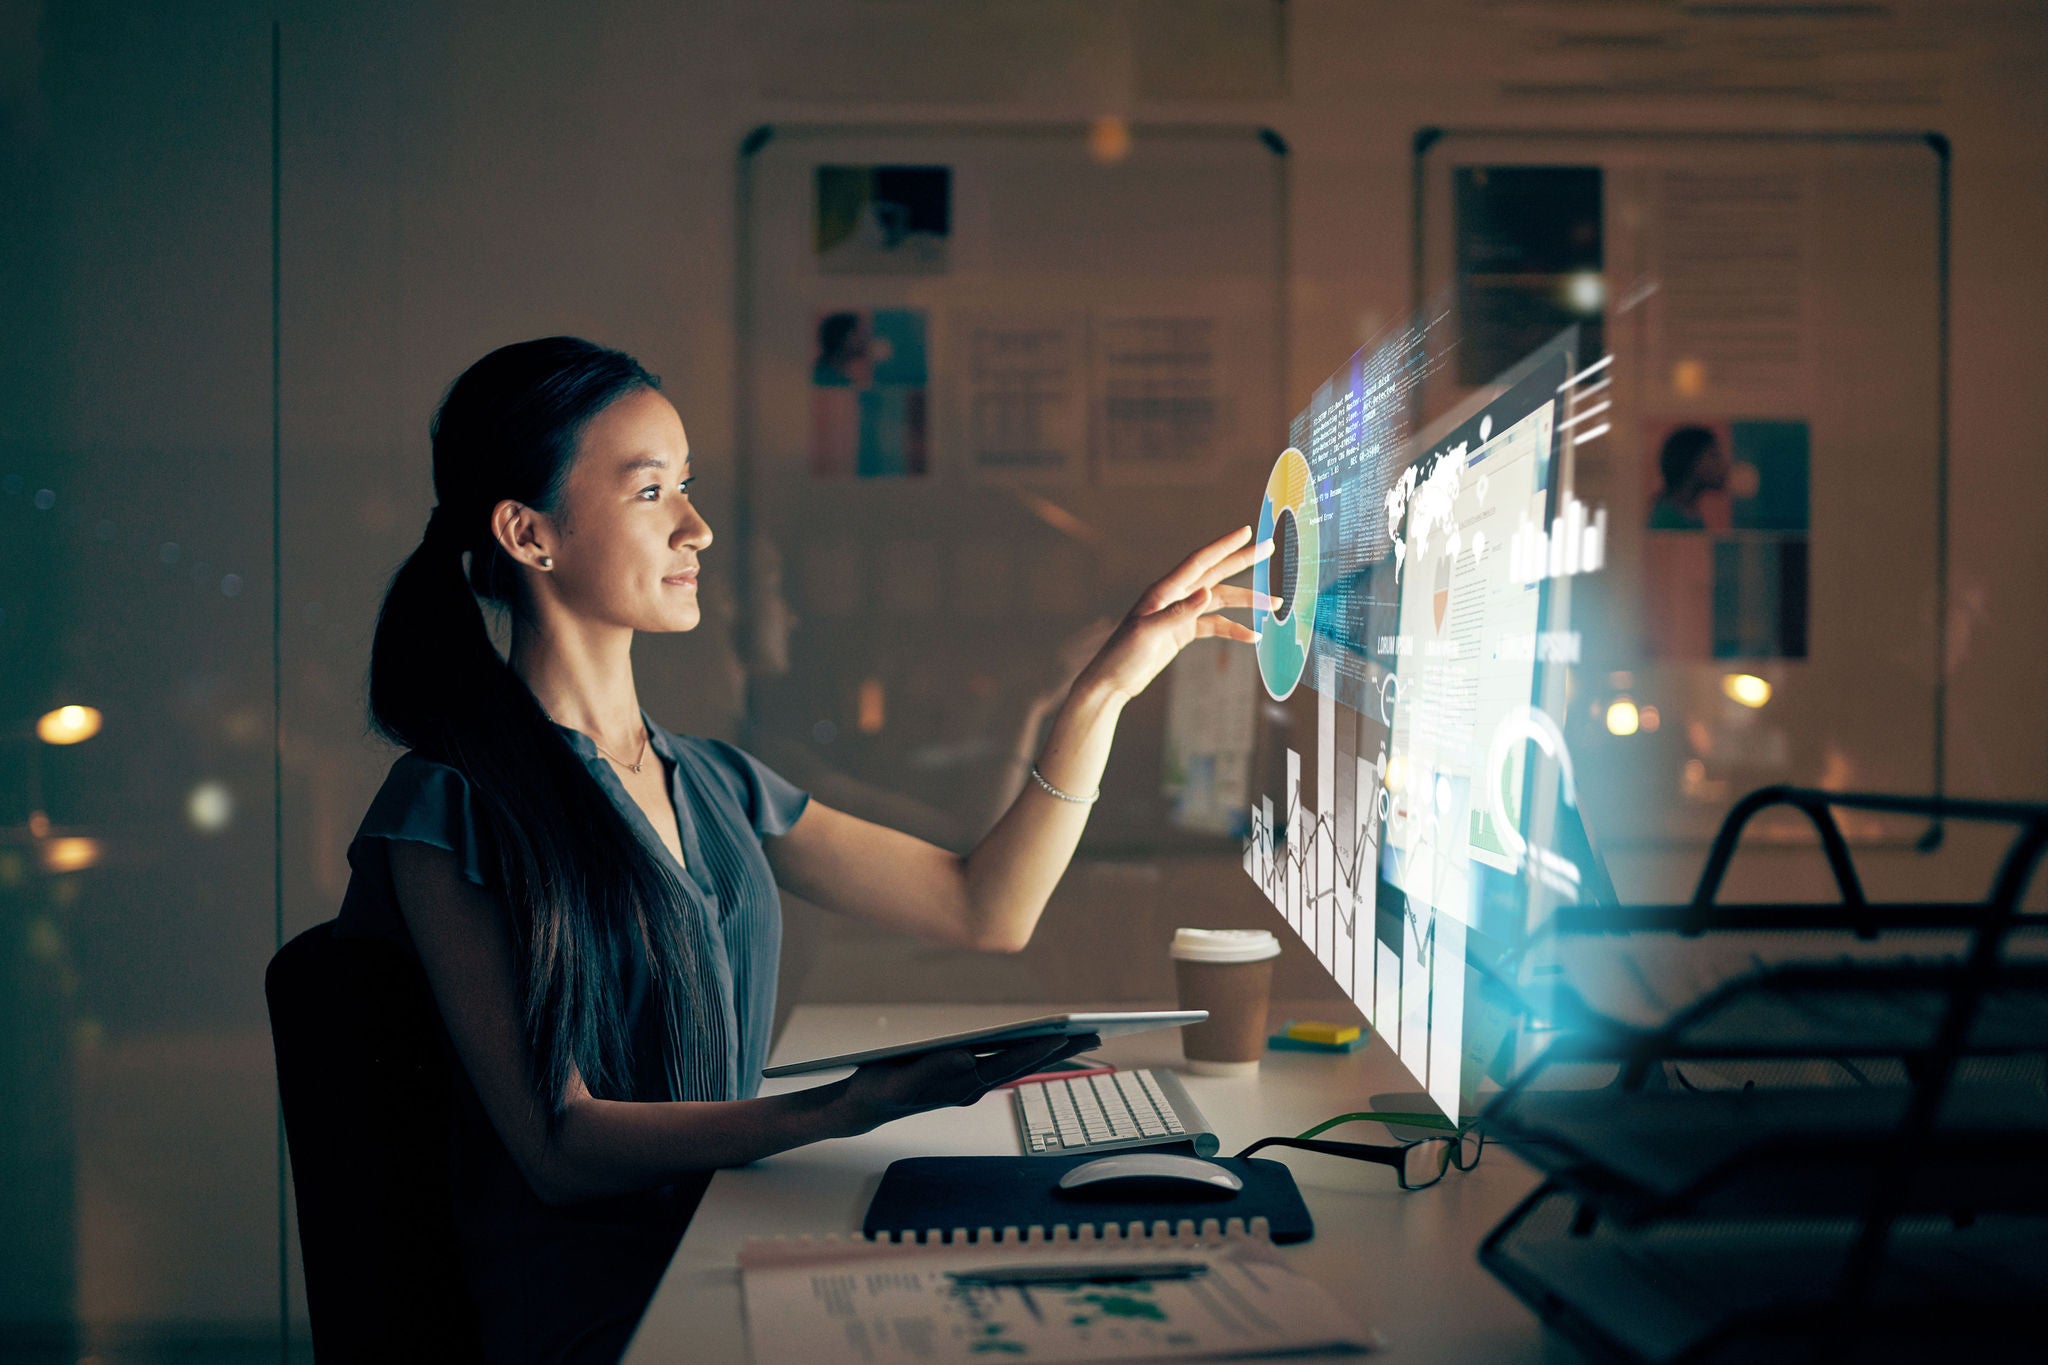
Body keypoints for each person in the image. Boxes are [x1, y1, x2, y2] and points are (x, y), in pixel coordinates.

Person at [336, 336, 1266, 1362]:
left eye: (686, 487)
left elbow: (984, 908)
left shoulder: (716, 780)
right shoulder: (449, 807)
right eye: (652, 494)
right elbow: (558, 1146)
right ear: (528, 534)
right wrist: (844, 1107)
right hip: (612, 1319)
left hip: (731, 1239)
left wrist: (1104, 690)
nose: (698, 527)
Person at [1648, 424, 1729, 531]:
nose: (1724, 466)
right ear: (1692, 462)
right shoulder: (1665, 520)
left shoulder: (1691, 515)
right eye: (1714, 456)